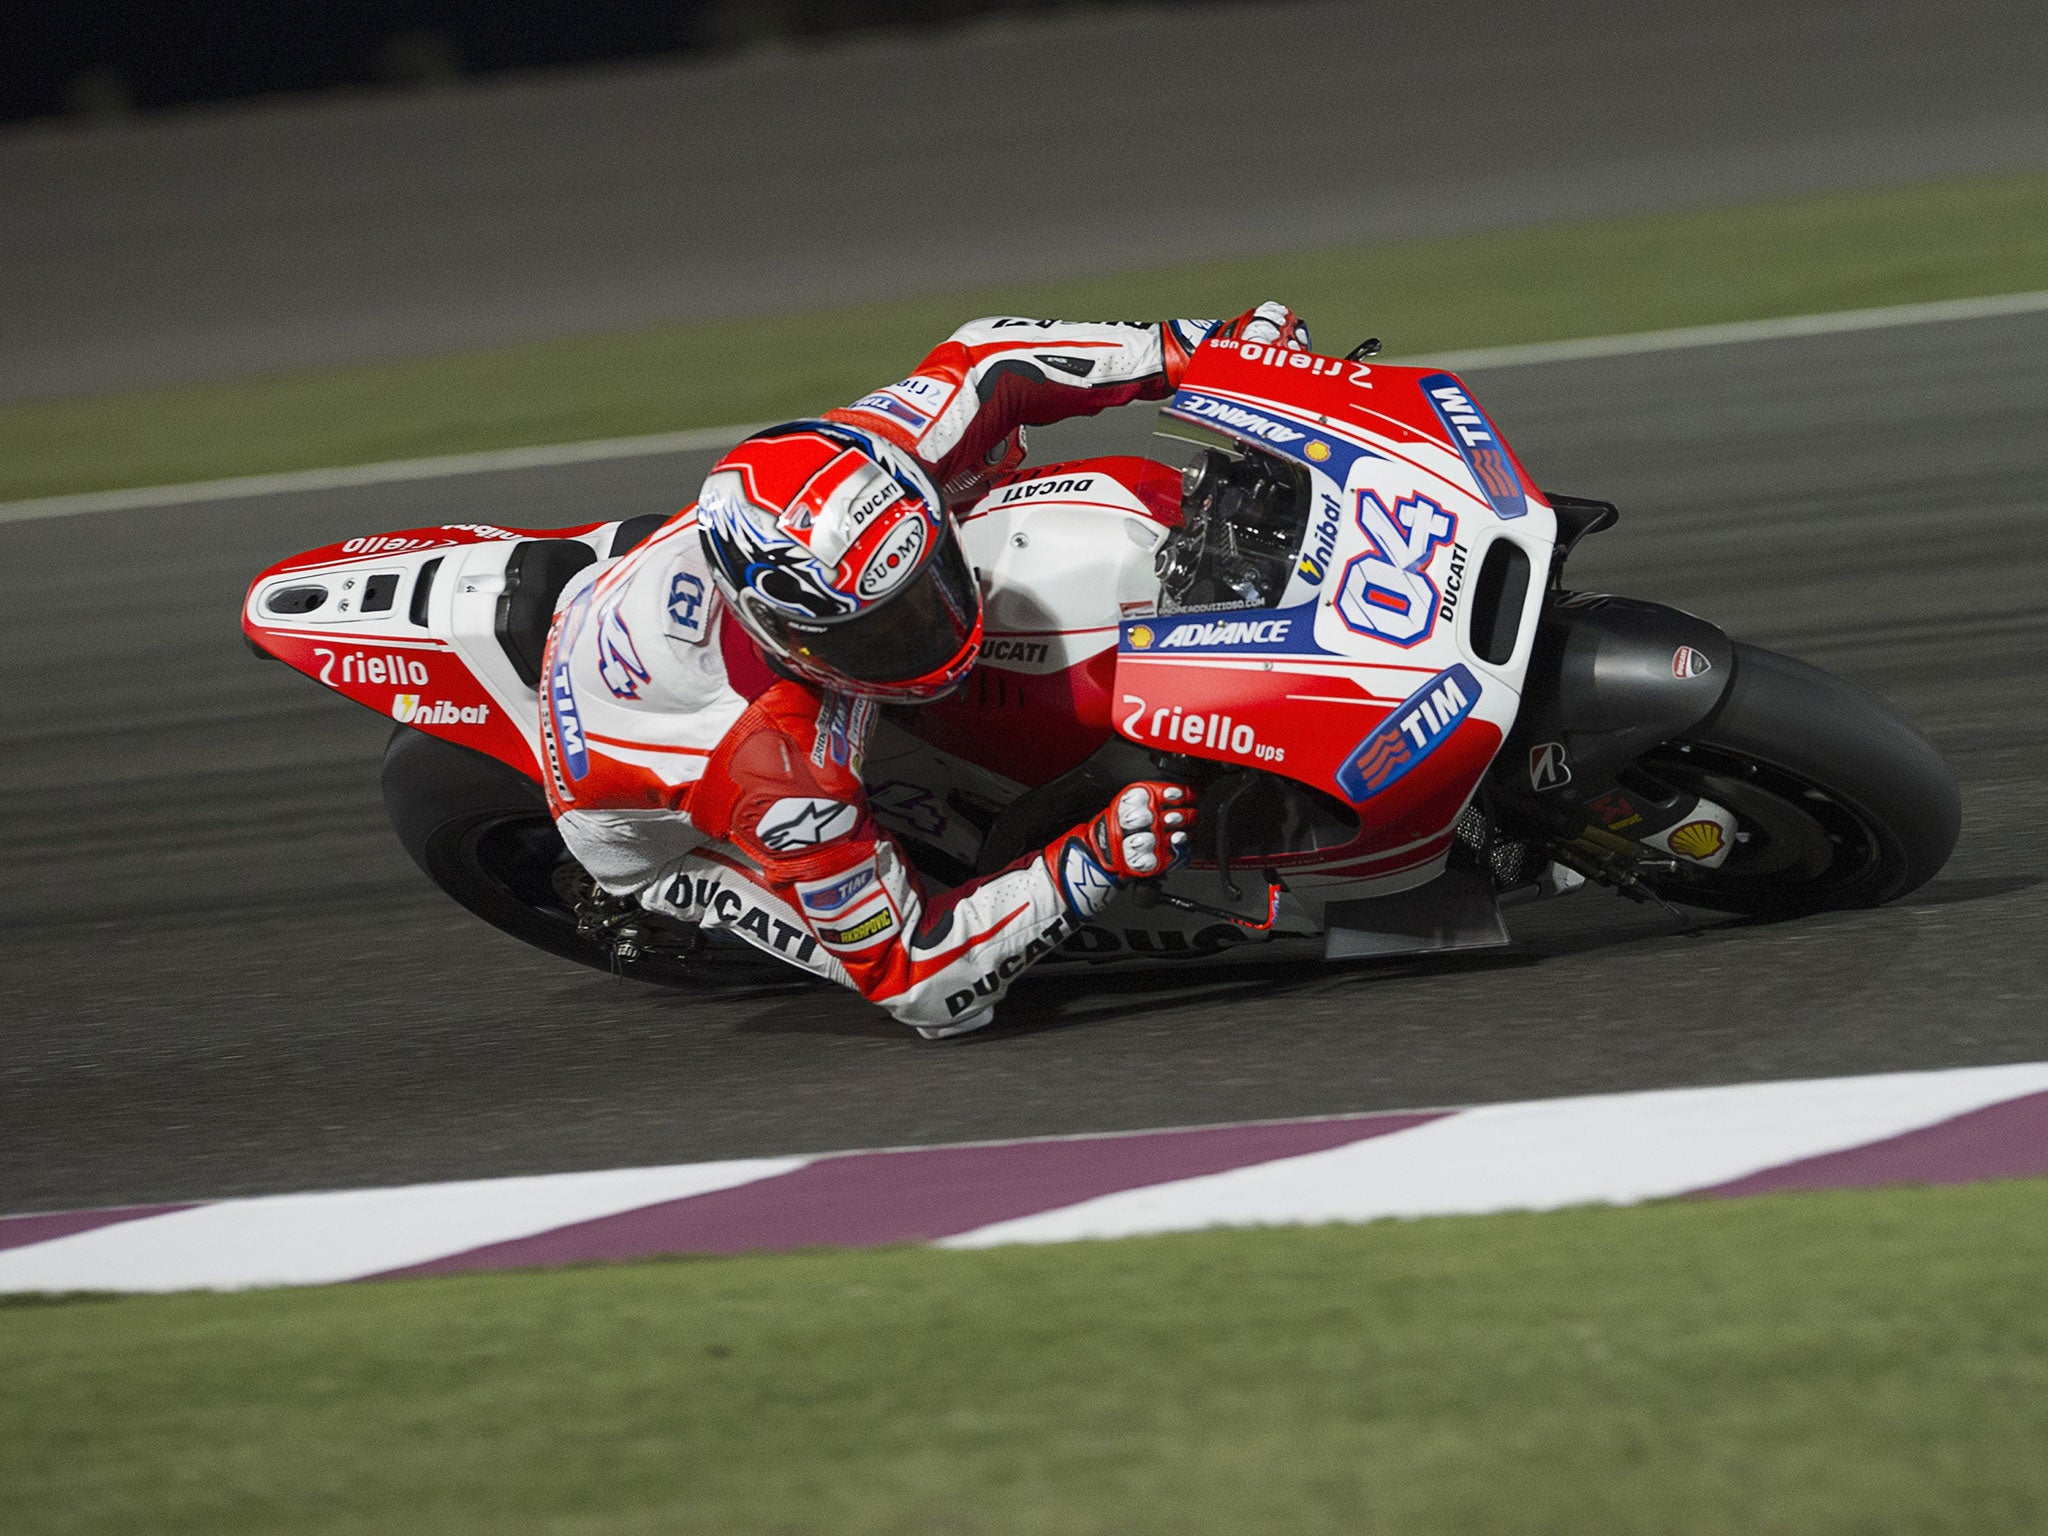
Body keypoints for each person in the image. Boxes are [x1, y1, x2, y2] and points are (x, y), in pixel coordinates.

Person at [539, 303, 1313, 1037]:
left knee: (999, 481)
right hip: (655, 818)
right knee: (889, 917)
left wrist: (1209, 349)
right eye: (886, 630)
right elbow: (922, 987)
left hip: (639, 592)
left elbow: (992, 361)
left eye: (926, 588)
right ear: (786, 634)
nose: (932, 630)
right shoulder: (779, 771)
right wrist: (1090, 858)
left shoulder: (866, 464)